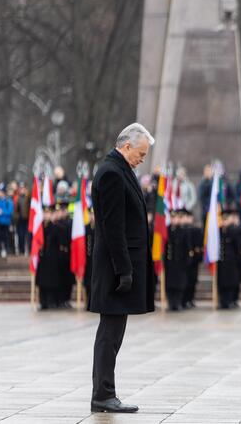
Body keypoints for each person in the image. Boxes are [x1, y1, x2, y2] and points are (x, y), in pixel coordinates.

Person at [89, 123, 156, 413]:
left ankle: (105, 393)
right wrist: (124, 270)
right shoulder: (112, 174)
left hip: (120, 266)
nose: (142, 159)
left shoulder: (120, 170)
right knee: (109, 334)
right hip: (116, 269)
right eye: (140, 153)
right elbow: (113, 228)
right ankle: (103, 395)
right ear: (126, 145)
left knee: (113, 334)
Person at [217, 209, 241, 309]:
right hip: (221, 262)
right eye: (223, 219)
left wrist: (240, 261)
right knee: (222, 283)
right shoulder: (218, 231)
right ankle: (223, 301)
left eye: (226, 219)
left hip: (232, 262)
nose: (224, 222)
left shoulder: (235, 231)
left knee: (231, 282)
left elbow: (239, 248)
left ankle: (230, 300)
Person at [164, 210, 189, 311]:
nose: (175, 220)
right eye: (173, 218)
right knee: (170, 285)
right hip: (170, 262)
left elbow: (187, 248)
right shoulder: (166, 231)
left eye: (177, 218)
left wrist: (187, 262)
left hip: (180, 262)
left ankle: (177, 303)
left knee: (179, 284)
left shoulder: (183, 231)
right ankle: (170, 303)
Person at [0, 187, 14, 257]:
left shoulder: (8, 201)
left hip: (6, 223)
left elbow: (10, 211)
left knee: (6, 237)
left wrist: (2, 212)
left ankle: (8, 250)